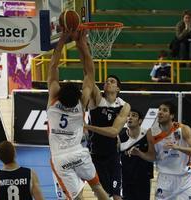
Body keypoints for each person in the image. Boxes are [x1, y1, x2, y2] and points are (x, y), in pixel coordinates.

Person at [47, 30, 109, 200]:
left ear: (59, 93)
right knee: (98, 188)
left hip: (60, 157)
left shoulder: (53, 101)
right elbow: (89, 73)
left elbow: (53, 66)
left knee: (76, 197)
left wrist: (61, 41)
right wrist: (81, 44)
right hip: (79, 152)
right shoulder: (81, 103)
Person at [129, 102, 191, 200]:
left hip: (185, 180)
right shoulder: (151, 133)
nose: (160, 112)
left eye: (164, 110)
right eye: (159, 109)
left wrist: (178, 147)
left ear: (172, 115)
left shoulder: (183, 129)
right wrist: (139, 153)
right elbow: (153, 157)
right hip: (164, 179)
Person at [84, 74, 131, 200]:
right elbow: (89, 76)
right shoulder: (97, 99)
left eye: (112, 81)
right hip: (96, 155)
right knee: (104, 195)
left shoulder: (124, 106)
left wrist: (88, 127)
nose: (108, 83)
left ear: (118, 89)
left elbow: (113, 132)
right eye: (106, 81)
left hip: (113, 155)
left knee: (117, 195)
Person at [119, 109, 154, 200]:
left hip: (143, 179)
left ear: (140, 121)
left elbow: (152, 157)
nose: (130, 117)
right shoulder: (120, 138)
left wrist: (139, 153)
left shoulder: (147, 134)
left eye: (134, 115)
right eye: (128, 115)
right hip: (126, 179)